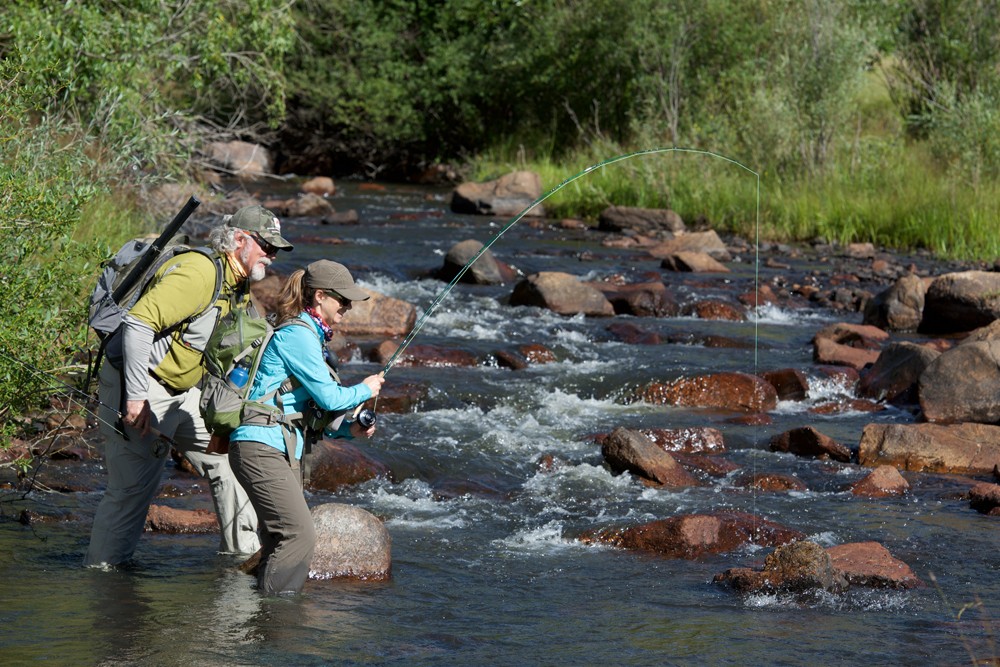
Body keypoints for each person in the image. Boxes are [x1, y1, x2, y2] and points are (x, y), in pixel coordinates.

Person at [85, 204, 293, 567]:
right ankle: (103, 580)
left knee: (233, 461)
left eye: (276, 249)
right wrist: (135, 398)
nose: (272, 256)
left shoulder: (239, 285)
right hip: (142, 386)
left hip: (188, 393)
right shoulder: (200, 273)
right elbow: (138, 326)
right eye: (266, 245)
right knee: (131, 492)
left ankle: (241, 564)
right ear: (239, 240)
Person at [228, 260, 384, 595]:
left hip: (279, 445)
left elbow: (311, 413)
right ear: (320, 296)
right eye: (343, 300)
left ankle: (262, 632)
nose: (348, 307)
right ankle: (277, 616)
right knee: (300, 534)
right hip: (262, 444)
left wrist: (348, 430)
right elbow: (328, 397)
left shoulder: (312, 338)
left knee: (277, 539)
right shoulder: (298, 335)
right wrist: (365, 390)